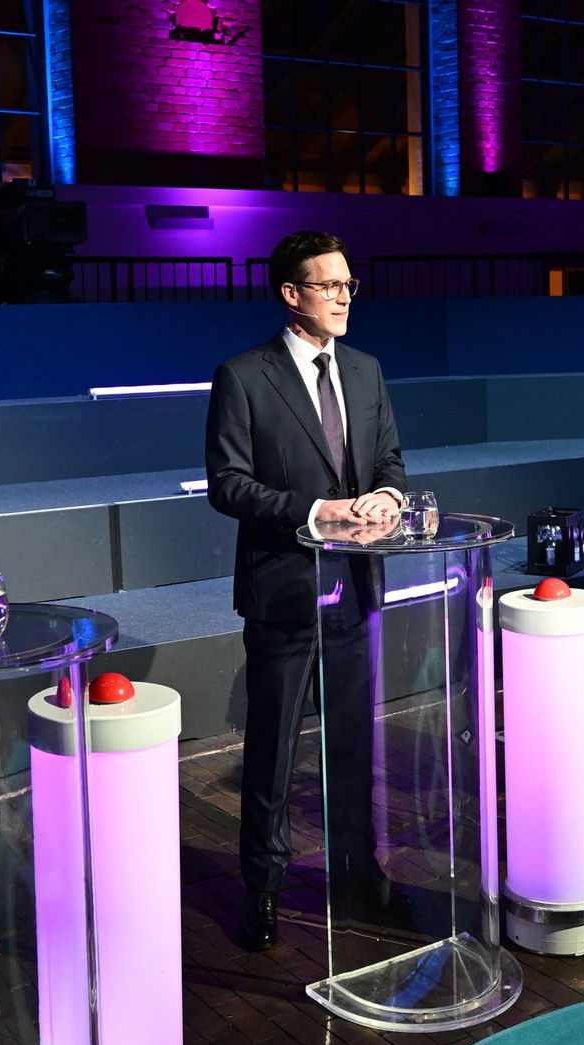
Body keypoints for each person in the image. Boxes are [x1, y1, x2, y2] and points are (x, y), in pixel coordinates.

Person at [205, 231, 407, 950]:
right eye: (330, 285)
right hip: (285, 589)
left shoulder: (366, 369)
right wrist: (318, 512)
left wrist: (385, 496)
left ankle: (359, 869)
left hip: (355, 586)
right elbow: (228, 485)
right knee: (274, 748)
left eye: (350, 284)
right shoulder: (243, 376)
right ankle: (263, 887)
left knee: (353, 741)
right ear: (292, 294)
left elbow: (388, 458)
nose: (345, 297)